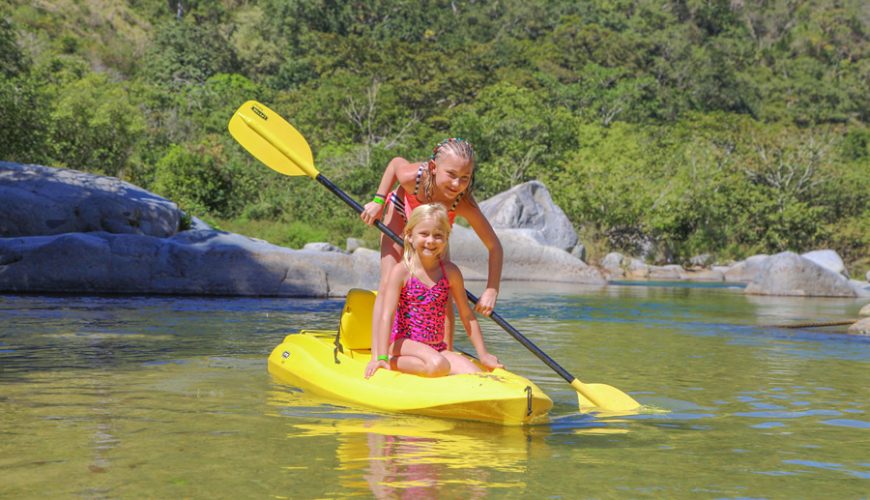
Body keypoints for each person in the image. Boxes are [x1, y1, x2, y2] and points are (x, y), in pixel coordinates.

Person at [360, 138, 503, 354]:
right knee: (389, 280)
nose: (457, 184)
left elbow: (495, 246)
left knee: (444, 287)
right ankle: (378, 353)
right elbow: (395, 162)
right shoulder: (414, 177)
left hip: (435, 232)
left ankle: (446, 351)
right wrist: (378, 202)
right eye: (451, 175)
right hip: (400, 212)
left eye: (465, 178)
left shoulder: (463, 202)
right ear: (434, 168)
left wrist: (491, 289)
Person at [364, 203, 502, 378]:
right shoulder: (402, 272)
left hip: (436, 347)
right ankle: (391, 362)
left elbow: (467, 315)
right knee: (438, 365)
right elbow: (387, 315)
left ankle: (434, 363)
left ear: (446, 239)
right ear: (410, 236)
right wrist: (380, 355)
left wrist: (483, 355)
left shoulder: (451, 273)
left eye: (438, 236)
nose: (430, 241)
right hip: (402, 344)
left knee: (475, 374)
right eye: (423, 234)